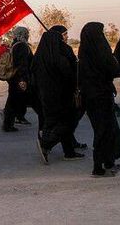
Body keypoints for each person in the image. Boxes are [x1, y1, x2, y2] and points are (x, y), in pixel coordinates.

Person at [79, 22, 120, 177]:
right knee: (104, 130)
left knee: (102, 129)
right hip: (102, 95)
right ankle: (98, 166)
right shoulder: (101, 50)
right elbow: (114, 69)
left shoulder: (84, 52)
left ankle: (108, 161)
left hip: (89, 96)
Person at [33, 28, 84, 164]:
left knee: (54, 121)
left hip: (45, 95)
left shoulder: (39, 56)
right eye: (63, 36)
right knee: (67, 122)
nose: (64, 38)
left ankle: (69, 152)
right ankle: (46, 144)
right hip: (62, 95)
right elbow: (70, 75)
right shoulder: (59, 57)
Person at [2, 27, 43, 133]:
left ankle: (9, 123)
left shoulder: (14, 45)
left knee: (13, 101)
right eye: (27, 33)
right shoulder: (22, 47)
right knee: (35, 102)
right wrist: (22, 80)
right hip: (20, 79)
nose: (28, 35)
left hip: (15, 79)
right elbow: (22, 65)